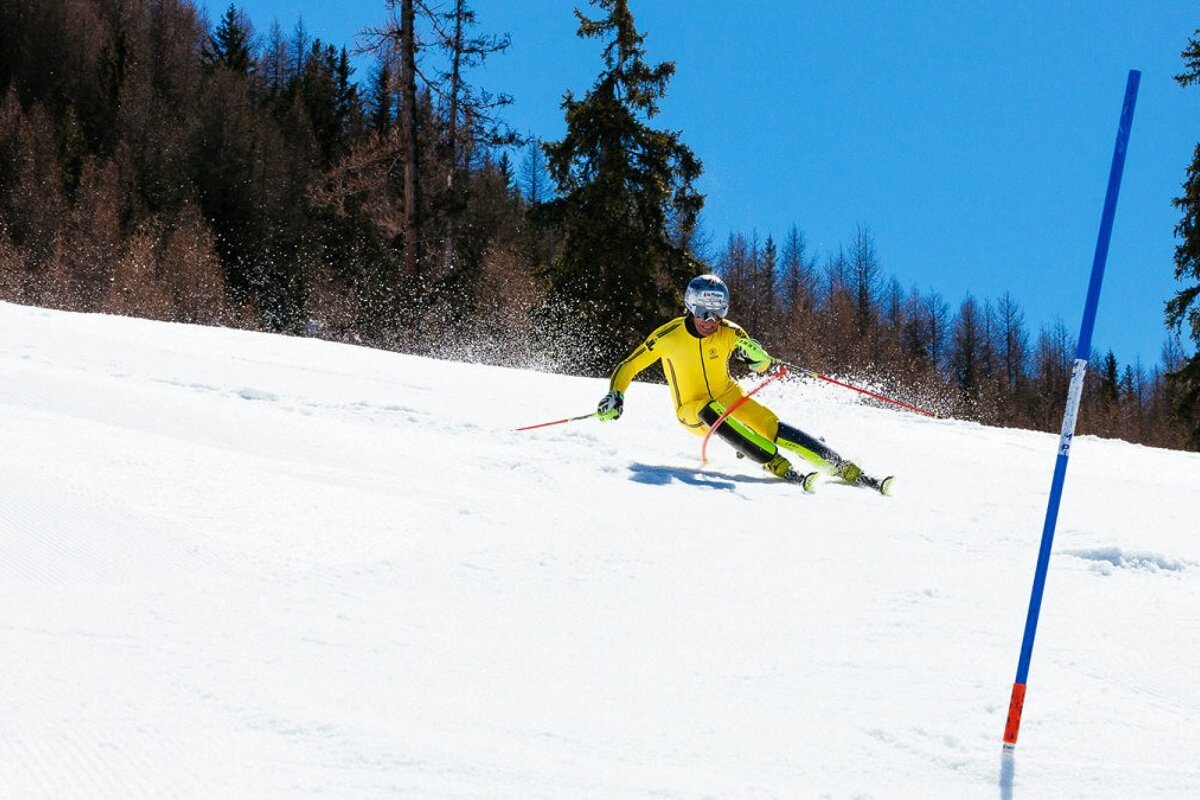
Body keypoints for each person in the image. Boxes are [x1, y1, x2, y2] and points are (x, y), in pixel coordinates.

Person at [595, 273, 891, 493]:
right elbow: (629, 365)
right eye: (703, 312)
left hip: (729, 396)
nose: (710, 321)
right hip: (693, 410)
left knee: (767, 423)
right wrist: (616, 395)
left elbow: (760, 364)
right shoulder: (669, 336)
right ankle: (775, 462)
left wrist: (757, 357)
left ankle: (840, 466)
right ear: (690, 306)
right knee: (710, 408)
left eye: (718, 312)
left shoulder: (729, 332)